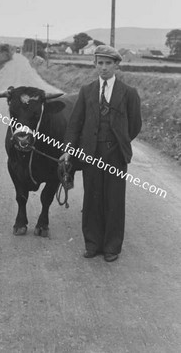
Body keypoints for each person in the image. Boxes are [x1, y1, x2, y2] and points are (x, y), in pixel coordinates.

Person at [60, 45, 142, 262]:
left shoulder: (129, 93)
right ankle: (93, 244)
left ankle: (111, 247)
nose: (104, 68)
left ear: (116, 65)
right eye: (100, 63)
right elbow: (75, 124)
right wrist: (69, 150)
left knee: (114, 201)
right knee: (92, 200)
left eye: (108, 63)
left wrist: (118, 144)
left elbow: (134, 125)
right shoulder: (86, 91)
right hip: (90, 155)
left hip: (115, 156)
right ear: (95, 64)